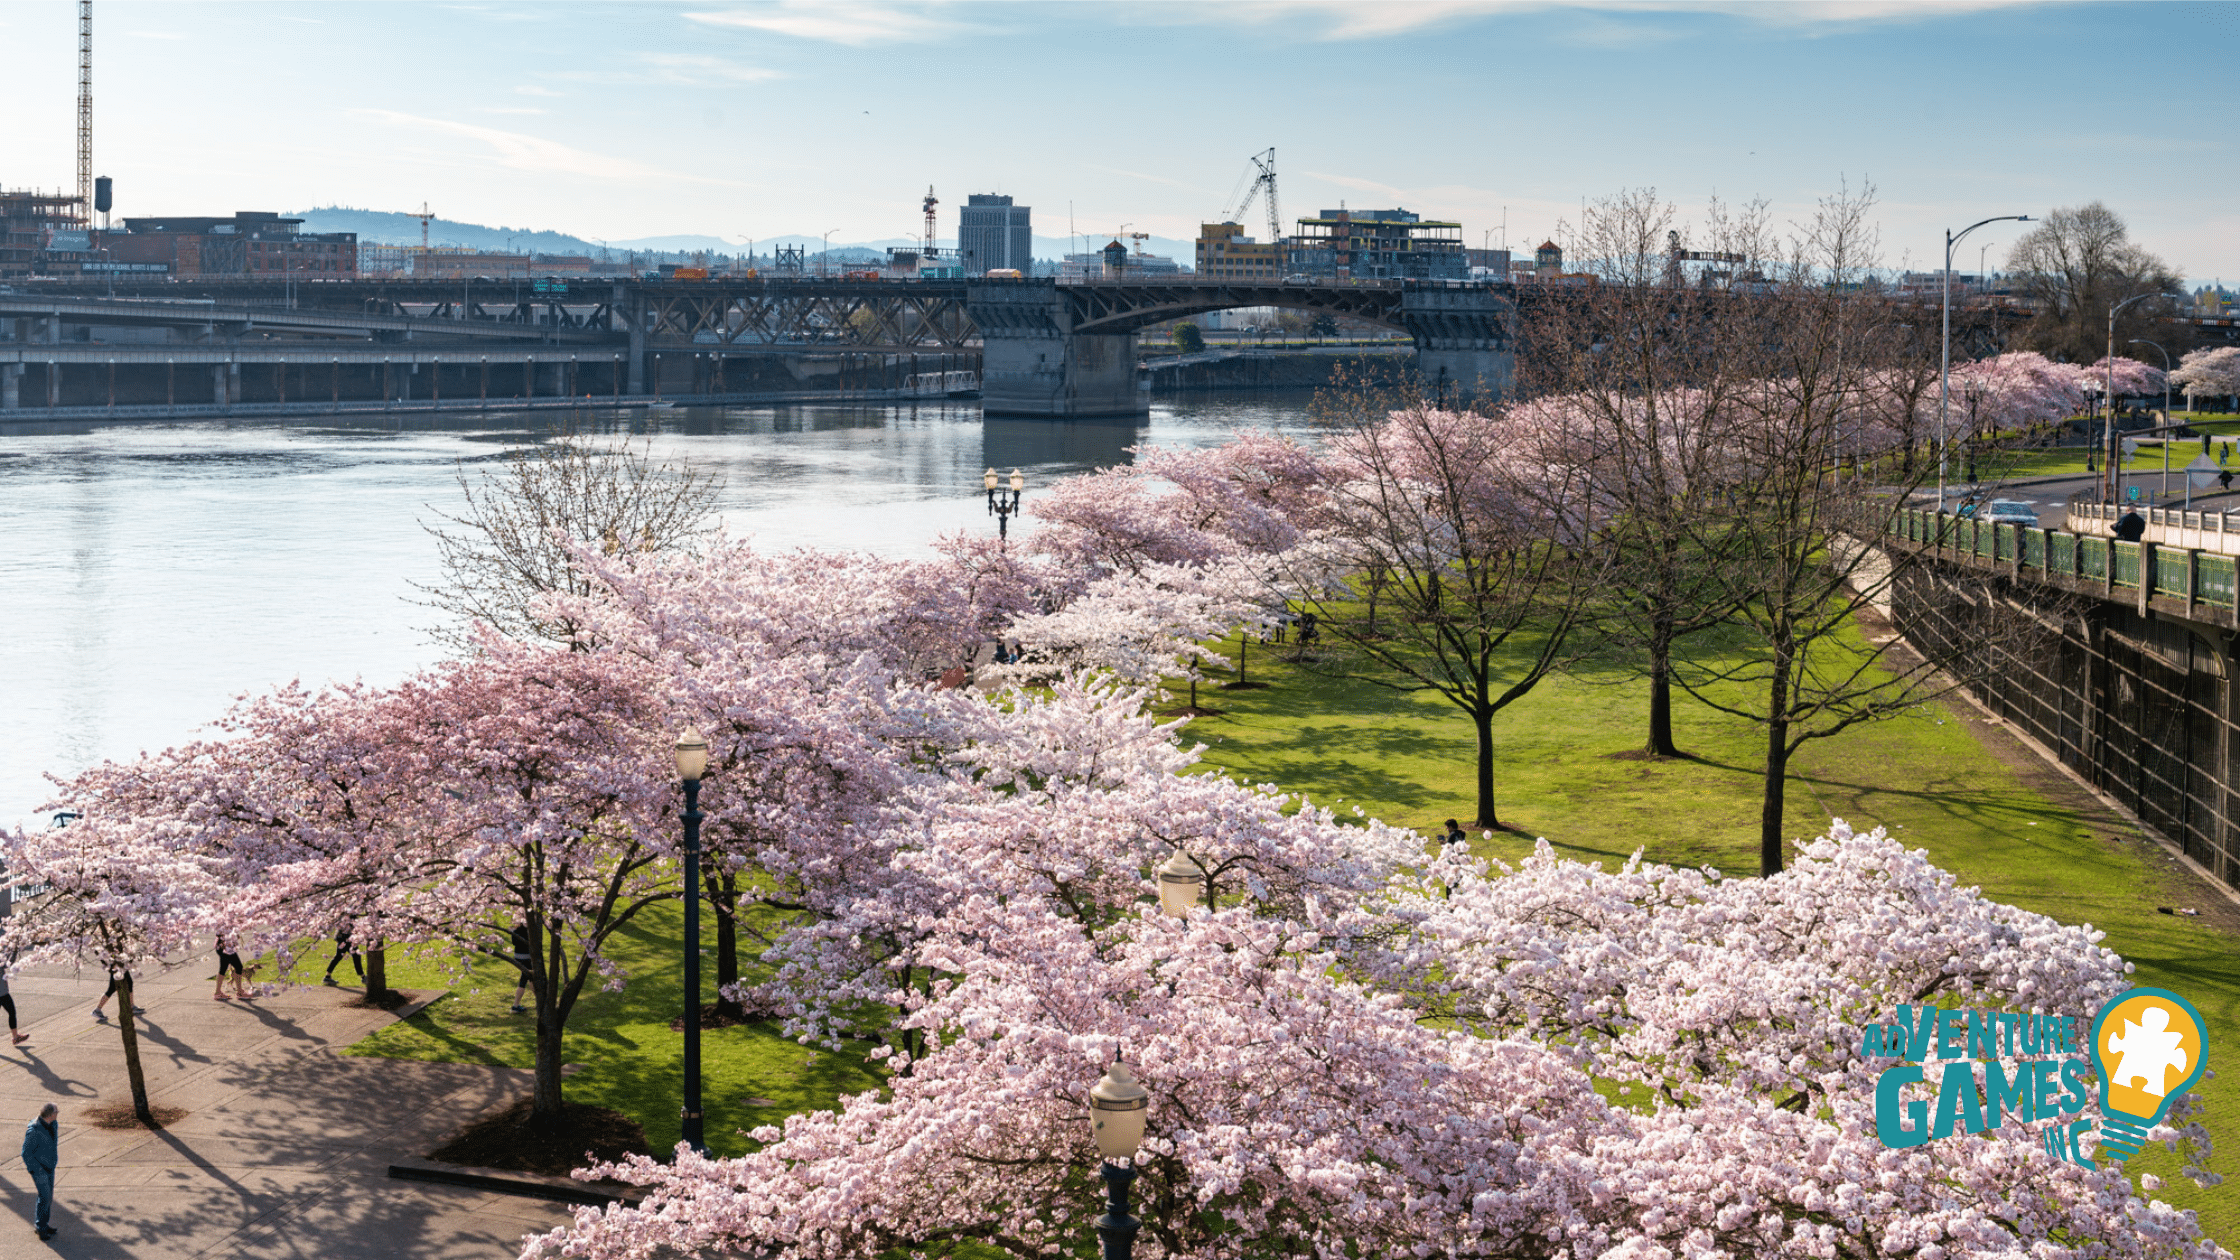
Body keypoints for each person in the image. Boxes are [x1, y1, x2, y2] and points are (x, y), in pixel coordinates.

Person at [22, 1103, 56, 1239]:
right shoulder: (34, 1130)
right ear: (50, 1114)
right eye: (56, 1112)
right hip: (40, 1170)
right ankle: (41, 1228)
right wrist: (37, 1169)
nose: (57, 1113)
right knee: (44, 1197)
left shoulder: (53, 1124)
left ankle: (43, 1224)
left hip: (50, 1166)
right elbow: (26, 1153)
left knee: (48, 1198)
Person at [213, 933, 254, 1001]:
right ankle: (240, 992)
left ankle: (218, 993)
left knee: (223, 969)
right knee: (238, 967)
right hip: (226, 947)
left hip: (222, 946)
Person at [508, 924, 533, 1015]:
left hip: (518, 956)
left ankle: (542, 1002)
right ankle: (515, 1006)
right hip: (527, 957)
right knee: (525, 978)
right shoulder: (528, 927)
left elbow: (514, 942)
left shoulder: (515, 926)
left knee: (531, 977)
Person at [0, 966, 22, 1046]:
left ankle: (16, 1038)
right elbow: (8, 963)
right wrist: (14, 953)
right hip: (3, 994)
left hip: (3, 993)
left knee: (12, 1013)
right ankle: (15, 1038)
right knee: (12, 1013)